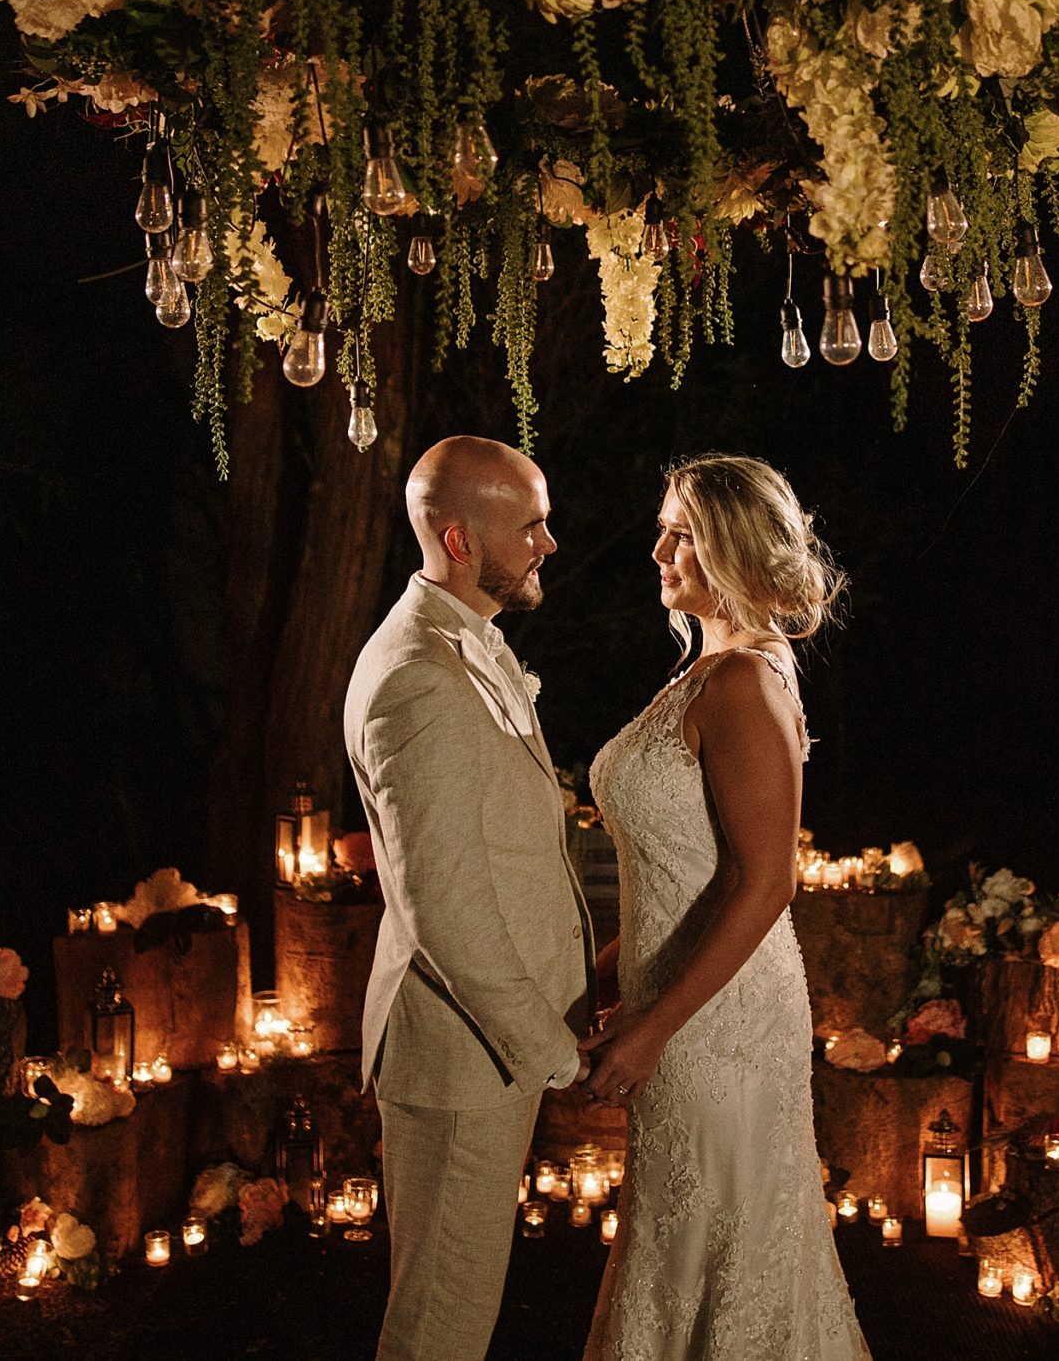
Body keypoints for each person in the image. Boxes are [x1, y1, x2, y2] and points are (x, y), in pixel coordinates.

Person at [578, 453, 870, 1361]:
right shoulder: (703, 674)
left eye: (684, 533)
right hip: (684, 997)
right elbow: (687, 873)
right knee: (679, 1232)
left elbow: (765, 881)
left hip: (722, 1019)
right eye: (664, 526)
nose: (659, 547)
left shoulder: (742, 683)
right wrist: (598, 971)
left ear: (736, 548)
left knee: (727, 1240)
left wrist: (654, 1024)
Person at [343, 435, 595, 1361]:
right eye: (530, 525)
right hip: (462, 1054)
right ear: (457, 537)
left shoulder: (466, 643)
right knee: (439, 1325)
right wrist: (551, 1047)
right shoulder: (418, 677)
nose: (548, 542)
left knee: (456, 1309)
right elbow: (441, 905)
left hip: (487, 1051)